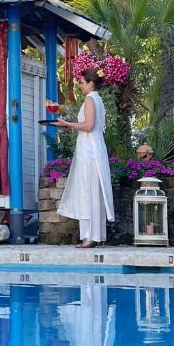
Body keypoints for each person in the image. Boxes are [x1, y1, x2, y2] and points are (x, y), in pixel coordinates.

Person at [53, 67, 114, 249]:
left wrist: (67, 123)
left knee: (88, 192)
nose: (80, 85)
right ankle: (93, 235)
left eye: (81, 82)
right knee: (92, 192)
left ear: (91, 83)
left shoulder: (90, 99)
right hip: (93, 149)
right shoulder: (97, 99)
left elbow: (88, 125)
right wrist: (70, 125)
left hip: (89, 151)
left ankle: (90, 236)